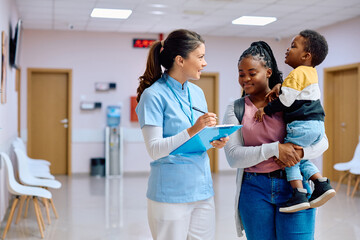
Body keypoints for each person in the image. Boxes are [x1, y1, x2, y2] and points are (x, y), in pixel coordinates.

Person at [223, 41, 329, 239]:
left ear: (268, 72)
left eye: (252, 73)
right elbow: (233, 157)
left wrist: (300, 153)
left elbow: (322, 141)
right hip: (254, 189)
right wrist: (275, 149)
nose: (245, 79)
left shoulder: (290, 99)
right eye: (241, 73)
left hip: (295, 188)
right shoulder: (235, 108)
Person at [135, 29, 229, 240]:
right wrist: (194, 129)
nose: (205, 63)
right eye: (200, 57)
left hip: (202, 190)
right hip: (170, 194)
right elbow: (155, 150)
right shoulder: (153, 96)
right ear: (180, 60)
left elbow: (196, 140)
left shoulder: (197, 92)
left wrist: (213, 140)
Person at [254, 30, 335, 213]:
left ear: (306, 56)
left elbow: (286, 101)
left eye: (293, 46)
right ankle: (321, 183)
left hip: (301, 125)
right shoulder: (311, 72)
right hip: (317, 125)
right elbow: (297, 93)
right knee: (299, 157)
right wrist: (281, 87)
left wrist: (265, 110)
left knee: (289, 158)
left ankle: (298, 193)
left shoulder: (296, 74)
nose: (287, 50)